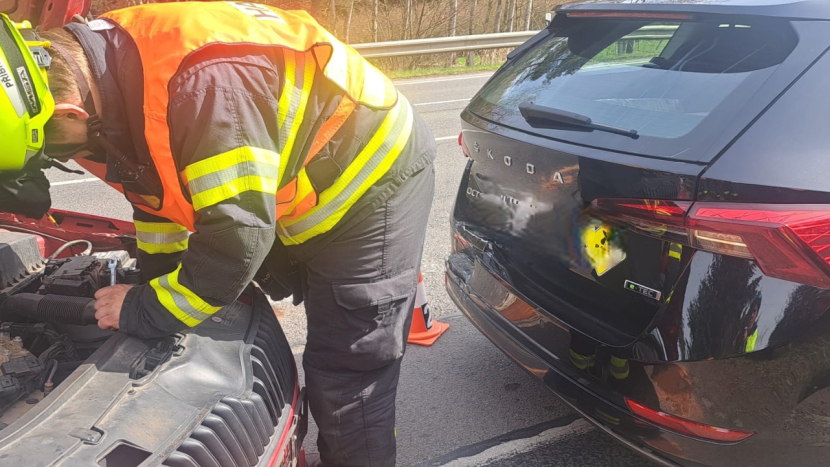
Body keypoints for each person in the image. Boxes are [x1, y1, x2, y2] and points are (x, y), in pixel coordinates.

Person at [0, 3, 436, 466]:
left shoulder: (206, 90)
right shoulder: (105, 70)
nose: (61, 159)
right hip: (290, 180)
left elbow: (238, 237)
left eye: (51, 150)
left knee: (349, 370)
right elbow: (157, 195)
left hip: (368, 185)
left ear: (69, 112)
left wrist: (148, 309)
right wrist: (156, 279)